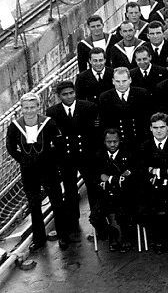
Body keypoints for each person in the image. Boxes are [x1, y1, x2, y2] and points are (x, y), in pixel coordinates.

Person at [7, 93, 73, 250]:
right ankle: (39, 239)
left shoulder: (48, 123)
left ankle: (63, 236)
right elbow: (10, 147)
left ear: (38, 107)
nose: (29, 111)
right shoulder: (15, 126)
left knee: (57, 202)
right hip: (29, 171)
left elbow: (59, 144)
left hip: (48, 168)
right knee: (34, 205)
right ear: (21, 109)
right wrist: (23, 159)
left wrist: (51, 159)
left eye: (32, 107)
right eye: (26, 108)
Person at [47, 81, 101, 233]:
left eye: (71, 93)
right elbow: (53, 137)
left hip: (86, 155)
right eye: (65, 94)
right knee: (70, 190)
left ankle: (97, 219)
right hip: (66, 158)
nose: (69, 96)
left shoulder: (88, 107)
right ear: (59, 96)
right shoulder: (52, 113)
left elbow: (95, 134)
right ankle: (73, 222)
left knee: (92, 187)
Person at [136, 113, 168, 253]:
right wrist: (165, 171)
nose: (159, 131)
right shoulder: (144, 147)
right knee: (148, 203)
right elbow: (142, 170)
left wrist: (155, 170)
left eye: (162, 127)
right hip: (152, 188)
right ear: (150, 128)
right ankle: (158, 238)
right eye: (155, 127)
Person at [90, 128, 136, 252]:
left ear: (119, 141)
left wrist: (109, 179)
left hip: (124, 194)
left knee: (123, 213)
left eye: (115, 141)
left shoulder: (127, 155)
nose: (112, 145)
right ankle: (112, 233)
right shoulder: (99, 156)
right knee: (95, 217)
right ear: (104, 142)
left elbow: (129, 177)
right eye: (108, 142)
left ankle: (124, 238)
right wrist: (112, 179)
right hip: (105, 196)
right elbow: (96, 177)